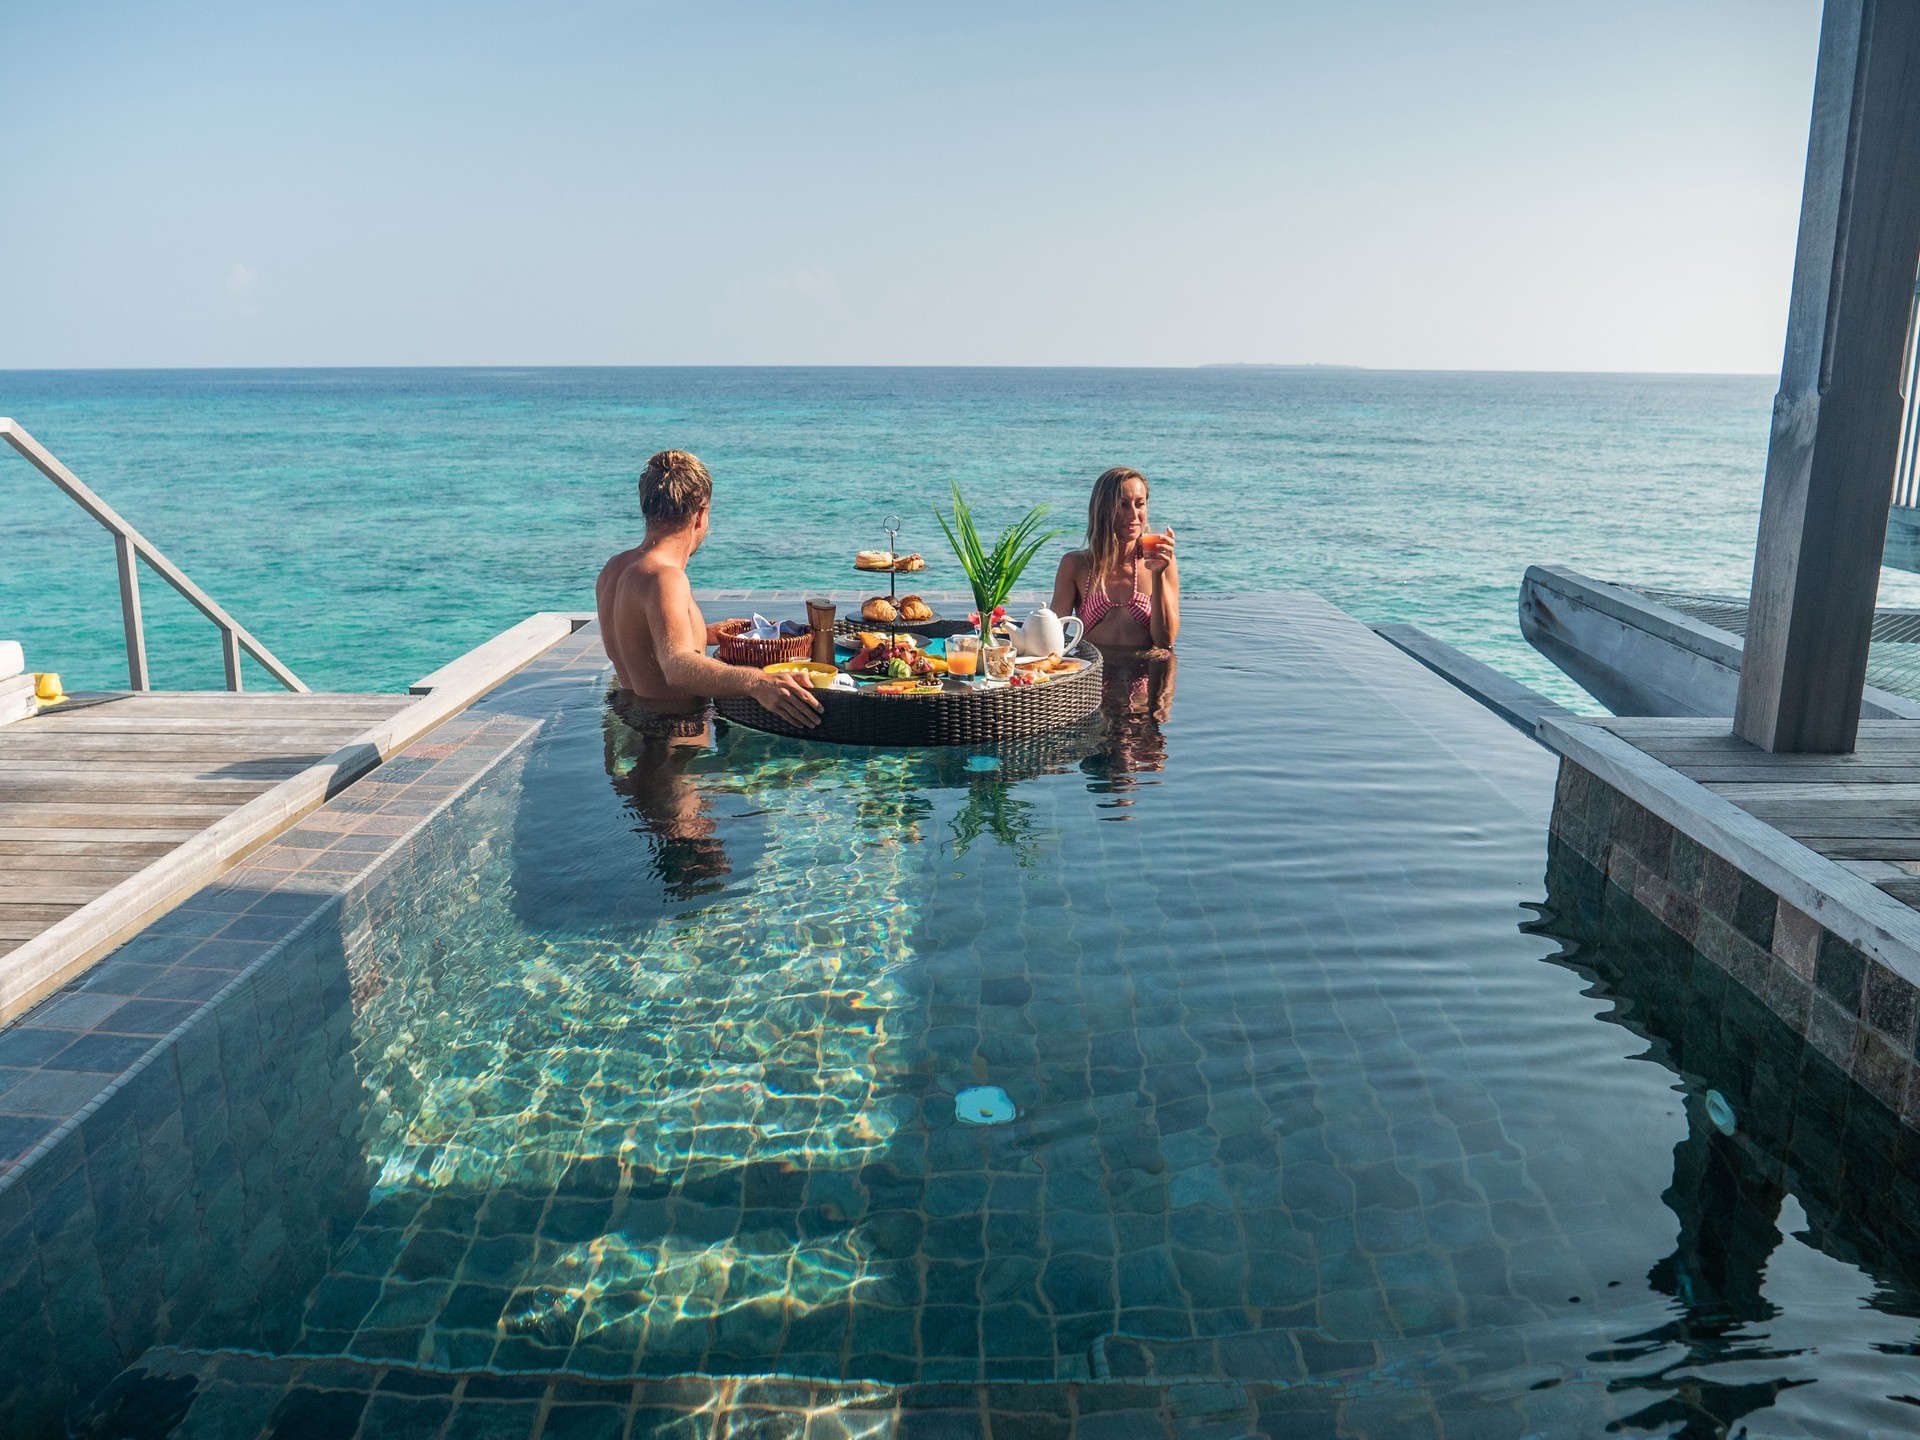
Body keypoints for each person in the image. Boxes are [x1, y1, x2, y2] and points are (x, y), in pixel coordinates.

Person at [596, 449, 822, 731]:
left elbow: (642, 641)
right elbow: (676, 665)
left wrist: (704, 632)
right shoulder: (667, 578)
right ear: (700, 516)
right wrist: (757, 682)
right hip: (674, 738)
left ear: (647, 507)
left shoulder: (613, 569)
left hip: (633, 721)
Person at [1049, 466, 1180, 649]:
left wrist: (1157, 574)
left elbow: (1165, 642)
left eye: (1139, 504)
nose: (1134, 515)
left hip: (1150, 673)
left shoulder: (1163, 563)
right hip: (1094, 675)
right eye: (1123, 504)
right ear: (1103, 509)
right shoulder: (1076, 565)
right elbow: (1051, 637)